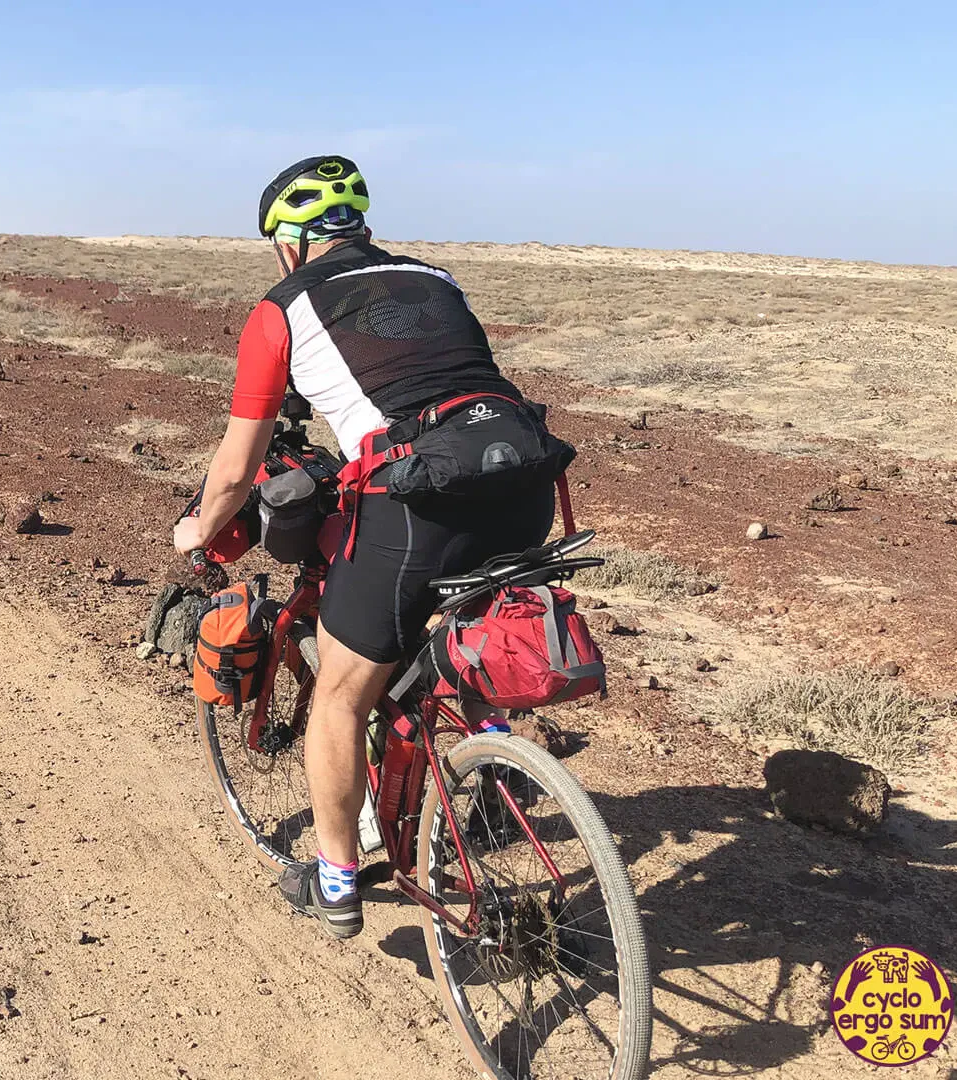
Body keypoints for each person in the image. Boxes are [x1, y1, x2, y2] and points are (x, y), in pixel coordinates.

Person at [171, 155, 558, 939]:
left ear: (288, 241)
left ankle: (337, 879)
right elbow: (437, 385)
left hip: (418, 506)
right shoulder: (436, 278)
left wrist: (199, 529)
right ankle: (487, 775)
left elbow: (238, 465)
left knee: (343, 693)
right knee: (464, 635)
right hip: (524, 483)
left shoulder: (281, 309)